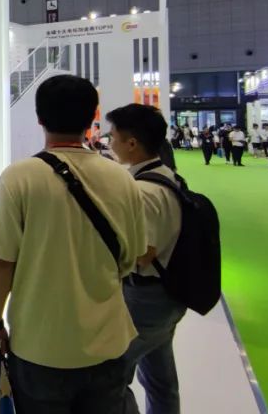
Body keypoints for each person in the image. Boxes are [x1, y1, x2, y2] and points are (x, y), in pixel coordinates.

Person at [0, 75, 146, 414]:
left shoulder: (18, 177)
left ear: (39, 118)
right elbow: (132, 258)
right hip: (107, 341)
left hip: (39, 346)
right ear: (92, 117)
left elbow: (1, 262)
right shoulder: (122, 179)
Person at [106, 104, 187, 414]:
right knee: (159, 378)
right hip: (168, 292)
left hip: (147, 297)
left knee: (111, 375)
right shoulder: (167, 175)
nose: (109, 142)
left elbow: (144, 253)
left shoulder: (142, 191)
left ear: (131, 143)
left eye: (113, 136)